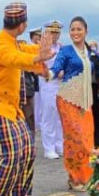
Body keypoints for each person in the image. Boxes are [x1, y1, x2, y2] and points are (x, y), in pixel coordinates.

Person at [0, 2, 56, 196]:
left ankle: (11, 195)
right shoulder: (0, 45)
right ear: (22, 26)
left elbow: (25, 50)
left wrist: (43, 49)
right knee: (11, 151)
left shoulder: (12, 42)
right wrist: (39, 57)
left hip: (7, 107)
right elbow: (15, 58)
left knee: (27, 147)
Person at [49, 18, 99, 189]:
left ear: (86, 31)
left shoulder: (92, 53)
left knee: (87, 139)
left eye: (79, 29)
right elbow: (54, 70)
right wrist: (44, 71)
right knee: (75, 139)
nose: (75, 32)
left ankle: (85, 176)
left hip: (85, 103)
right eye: (72, 29)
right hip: (68, 99)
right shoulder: (66, 51)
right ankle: (75, 177)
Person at [36, 20, 66, 159]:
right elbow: (38, 68)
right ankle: (49, 148)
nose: (55, 35)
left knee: (60, 116)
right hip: (48, 84)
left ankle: (59, 144)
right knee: (48, 116)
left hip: (61, 85)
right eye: (52, 32)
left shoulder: (61, 48)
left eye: (57, 32)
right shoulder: (42, 48)